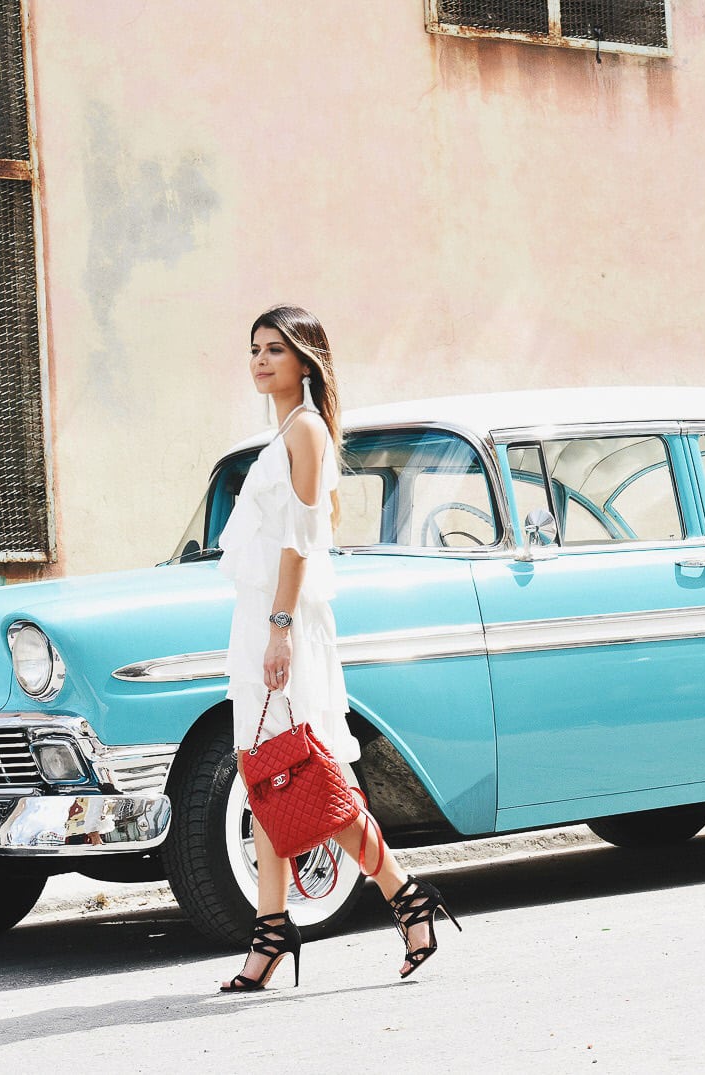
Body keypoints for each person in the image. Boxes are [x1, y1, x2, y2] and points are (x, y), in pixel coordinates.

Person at [214, 305, 461, 992]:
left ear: (305, 360)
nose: (260, 360)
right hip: (261, 618)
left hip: (284, 621)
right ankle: (271, 930)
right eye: (254, 348)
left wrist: (281, 628)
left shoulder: (308, 430)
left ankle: (405, 892)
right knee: (263, 775)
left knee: (304, 774)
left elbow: (299, 540)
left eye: (274, 349)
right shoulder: (284, 431)